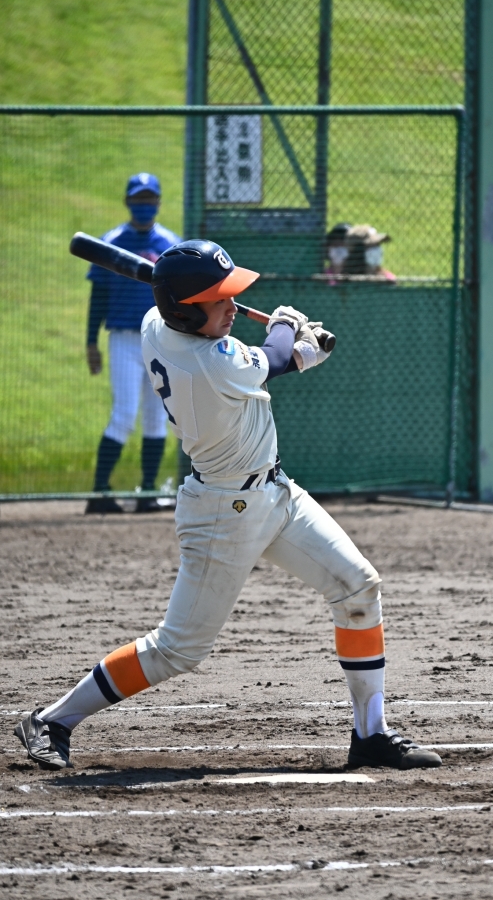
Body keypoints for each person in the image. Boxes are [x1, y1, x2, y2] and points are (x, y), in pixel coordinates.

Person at [14, 239, 442, 774]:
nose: (233, 306)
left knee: (358, 586)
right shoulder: (209, 362)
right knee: (177, 649)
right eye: (218, 299)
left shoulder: (158, 325)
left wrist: (300, 350)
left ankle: (371, 734)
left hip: (276, 493)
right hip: (223, 512)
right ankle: (52, 720)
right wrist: (287, 329)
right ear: (185, 312)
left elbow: (277, 362)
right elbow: (274, 358)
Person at [85, 172, 181, 514]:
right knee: (124, 414)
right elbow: (98, 296)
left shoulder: (170, 244)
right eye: (138, 199)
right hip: (124, 338)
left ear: (158, 202)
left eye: (149, 199)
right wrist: (90, 342)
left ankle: (147, 493)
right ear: (128, 202)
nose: (144, 205)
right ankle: (99, 493)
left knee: (157, 417)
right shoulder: (111, 243)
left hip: (161, 339)